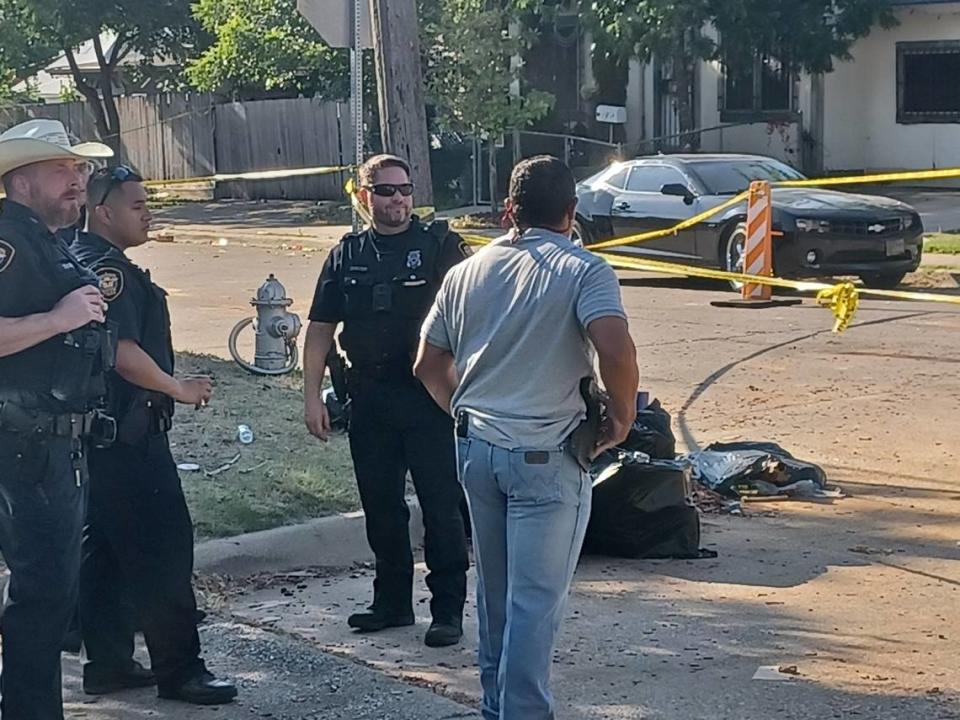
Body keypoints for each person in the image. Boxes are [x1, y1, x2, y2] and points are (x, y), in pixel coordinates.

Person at [415, 155, 639, 720]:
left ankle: (496, 709)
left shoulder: (465, 272)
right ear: (572, 211)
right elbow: (614, 349)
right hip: (547, 453)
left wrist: (461, 409)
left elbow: (426, 361)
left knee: (496, 599)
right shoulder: (584, 269)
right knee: (534, 607)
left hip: (478, 450)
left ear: (508, 210)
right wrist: (624, 414)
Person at [71, 166, 237, 706]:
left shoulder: (76, 258)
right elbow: (120, 351)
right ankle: (181, 671)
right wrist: (178, 387)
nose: (147, 212)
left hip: (98, 438)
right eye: (137, 204)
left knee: (105, 552)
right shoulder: (108, 271)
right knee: (164, 550)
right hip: (129, 439)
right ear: (103, 211)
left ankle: (109, 663)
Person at [303, 154, 470, 647]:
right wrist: (312, 396)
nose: (398, 198)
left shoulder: (440, 248)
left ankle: (447, 611)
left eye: (404, 189)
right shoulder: (346, 254)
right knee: (382, 507)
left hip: (428, 398)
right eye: (385, 190)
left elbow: (474, 321)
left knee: (441, 507)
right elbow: (319, 331)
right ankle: (392, 602)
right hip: (369, 398)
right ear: (363, 196)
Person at [0, 118, 115, 719]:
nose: (78, 182)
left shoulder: (43, 237)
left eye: (80, 170)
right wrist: (59, 318)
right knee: (42, 597)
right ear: (21, 182)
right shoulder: (10, 243)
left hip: (50, 443)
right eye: (62, 171)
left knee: (48, 595)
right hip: (25, 444)